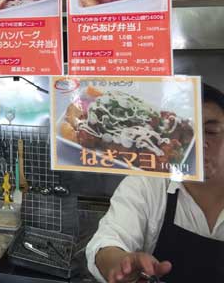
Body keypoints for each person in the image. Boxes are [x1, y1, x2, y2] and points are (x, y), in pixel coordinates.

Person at [86, 83, 224, 282]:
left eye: (210, 131)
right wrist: (121, 264)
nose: (198, 144)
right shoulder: (148, 184)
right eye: (187, 133)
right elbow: (107, 243)